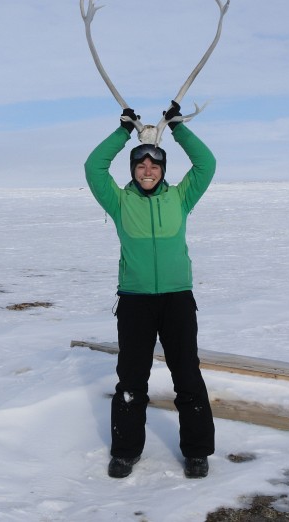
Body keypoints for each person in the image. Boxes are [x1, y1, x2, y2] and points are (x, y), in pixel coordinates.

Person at [84, 101, 217, 480]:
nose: (147, 169)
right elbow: (93, 167)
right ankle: (125, 452)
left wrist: (177, 127)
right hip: (135, 302)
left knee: (187, 376)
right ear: (133, 169)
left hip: (176, 298)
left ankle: (197, 452)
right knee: (131, 378)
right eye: (140, 164)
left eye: (154, 164)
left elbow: (206, 164)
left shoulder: (180, 197)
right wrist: (123, 131)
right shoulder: (119, 201)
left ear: (162, 170)